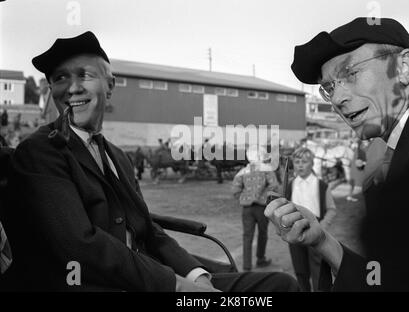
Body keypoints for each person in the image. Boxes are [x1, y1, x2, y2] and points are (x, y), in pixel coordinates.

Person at [5, 31, 299, 292]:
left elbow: (148, 229)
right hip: (94, 283)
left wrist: (196, 275)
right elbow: (80, 246)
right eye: (60, 78)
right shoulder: (40, 152)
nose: (72, 87)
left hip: (149, 273)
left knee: (279, 285)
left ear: (110, 85)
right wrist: (175, 284)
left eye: (84, 75)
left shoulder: (118, 157)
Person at [265, 17, 409, 291]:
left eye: (350, 73)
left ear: (404, 66)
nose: (338, 99)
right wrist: (321, 240)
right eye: (329, 87)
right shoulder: (392, 155)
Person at [286, 147, 336, 292]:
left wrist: (321, 226)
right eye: (297, 161)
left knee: (318, 268)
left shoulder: (321, 185)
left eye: (304, 162)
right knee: (300, 268)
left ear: (312, 163)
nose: (300, 165)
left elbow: (331, 209)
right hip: (295, 229)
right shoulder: (290, 185)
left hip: (315, 229)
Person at [231, 145, 278, 271]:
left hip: (247, 208)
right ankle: (260, 259)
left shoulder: (243, 171)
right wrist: (264, 196)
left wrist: (244, 197)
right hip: (262, 208)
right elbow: (274, 185)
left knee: (247, 235)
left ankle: (247, 265)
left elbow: (235, 189)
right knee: (263, 233)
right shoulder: (267, 169)